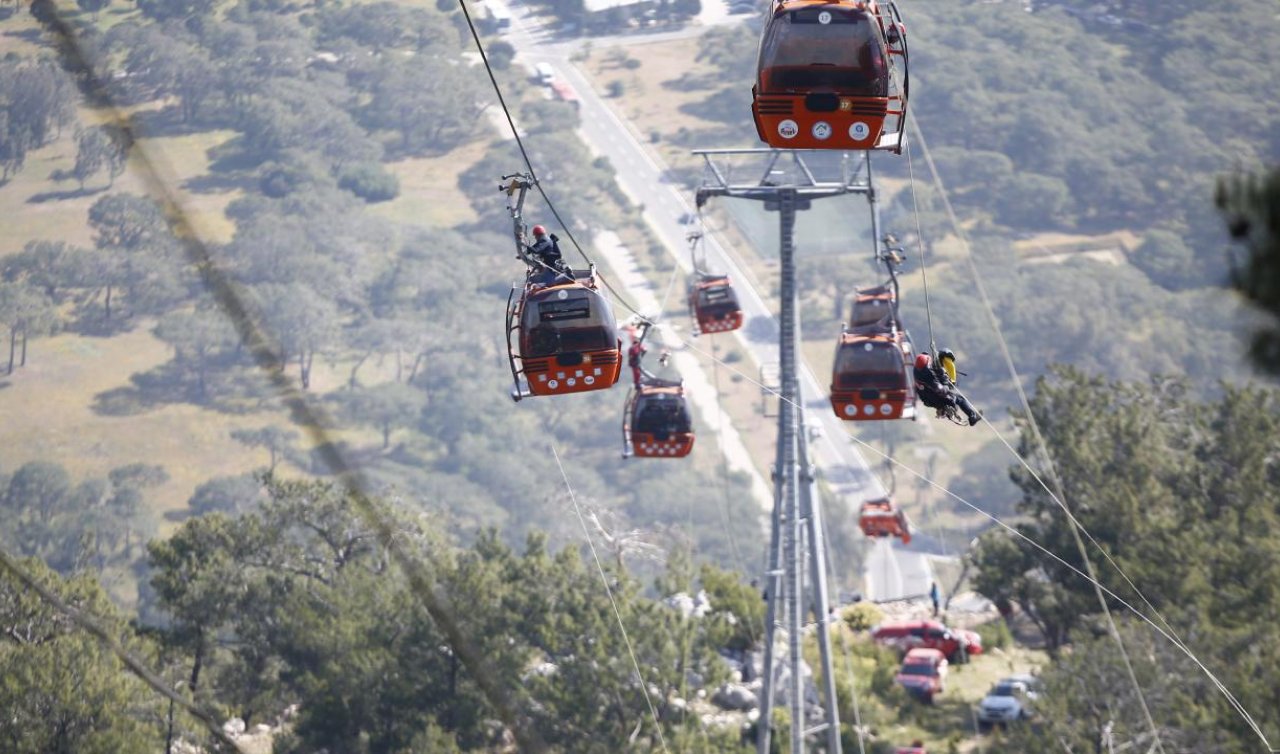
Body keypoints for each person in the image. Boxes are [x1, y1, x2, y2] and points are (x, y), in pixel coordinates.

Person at [913, 352, 981, 426]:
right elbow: (942, 389)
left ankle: (945, 409)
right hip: (939, 398)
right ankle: (972, 417)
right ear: (927, 365)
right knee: (959, 399)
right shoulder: (930, 377)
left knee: (946, 402)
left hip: (929, 400)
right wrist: (944, 380)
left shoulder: (916, 371)